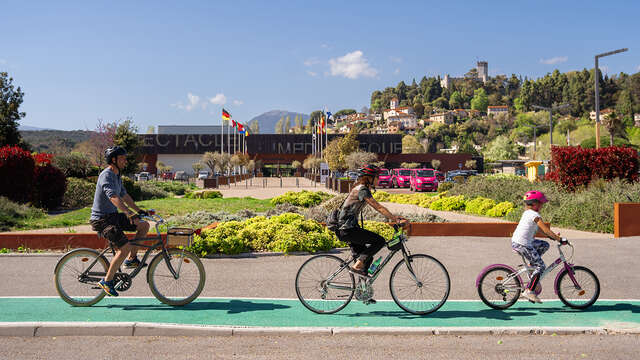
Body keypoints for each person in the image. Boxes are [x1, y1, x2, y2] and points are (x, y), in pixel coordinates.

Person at [90, 146, 150, 297]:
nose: (126, 161)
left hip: (113, 216)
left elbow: (123, 195)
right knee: (124, 247)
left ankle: (132, 259)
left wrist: (138, 210)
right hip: (101, 219)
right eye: (122, 158)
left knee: (143, 225)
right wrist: (128, 212)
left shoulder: (117, 175)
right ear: (113, 160)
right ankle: (107, 281)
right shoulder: (107, 175)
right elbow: (112, 196)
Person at [337, 164, 408, 283]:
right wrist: (395, 219)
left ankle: (362, 290)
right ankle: (357, 266)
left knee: (367, 258)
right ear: (369, 178)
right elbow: (378, 207)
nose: (379, 179)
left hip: (349, 228)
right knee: (379, 241)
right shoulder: (362, 190)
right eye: (377, 176)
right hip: (347, 229)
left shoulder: (362, 188)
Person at [511, 190, 564, 304]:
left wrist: (551, 236)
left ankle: (531, 266)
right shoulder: (534, 215)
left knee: (544, 245)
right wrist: (559, 239)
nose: (542, 205)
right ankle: (529, 290)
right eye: (541, 203)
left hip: (523, 242)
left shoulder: (528, 213)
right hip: (522, 244)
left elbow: (541, 230)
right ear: (535, 203)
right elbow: (545, 229)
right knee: (541, 266)